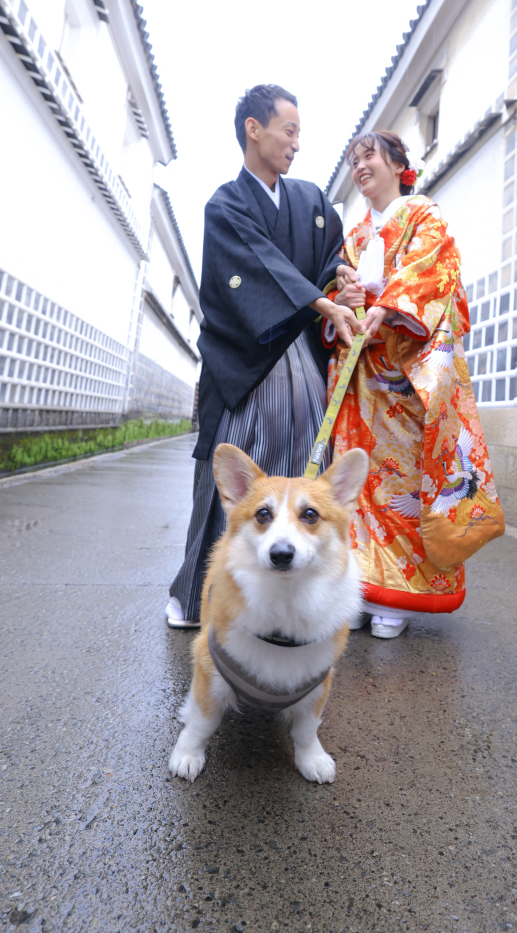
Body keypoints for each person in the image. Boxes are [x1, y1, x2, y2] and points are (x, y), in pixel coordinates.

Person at [166, 85, 358, 628]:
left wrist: (338, 281)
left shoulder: (313, 203)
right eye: (289, 130)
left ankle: (292, 606)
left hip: (304, 367)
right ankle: (199, 597)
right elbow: (257, 266)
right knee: (232, 483)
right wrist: (318, 300)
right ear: (255, 129)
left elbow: (330, 259)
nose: (297, 143)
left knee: (303, 480)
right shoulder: (226, 205)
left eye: (299, 133)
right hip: (246, 366)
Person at [325, 130, 505, 638]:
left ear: (399, 164)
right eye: (354, 160)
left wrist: (386, 305)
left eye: (369, 157)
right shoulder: (355, 234)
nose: (360, 167)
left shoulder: (425, 214)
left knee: (400, 481)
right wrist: (346, 293)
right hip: (360, 378)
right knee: (356, 484)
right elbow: (335, 292)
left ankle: (400, 599)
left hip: (403, 376)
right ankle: (361, 586)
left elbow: (435, 274)